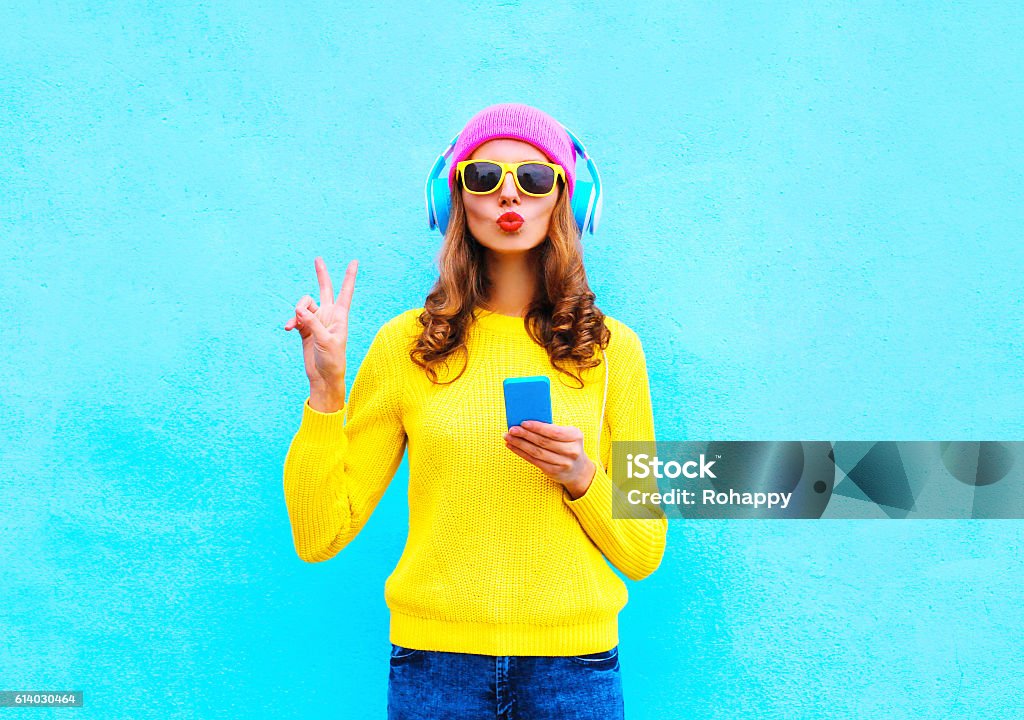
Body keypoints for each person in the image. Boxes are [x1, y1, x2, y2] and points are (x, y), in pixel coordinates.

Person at [282, 103, 667, 720]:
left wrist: (582, 477)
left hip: (576, 674)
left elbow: (645, 549)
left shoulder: (613, 351)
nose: (508, 195)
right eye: (484, 177)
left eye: (534, 178)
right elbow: (319, 534)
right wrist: (326, 390)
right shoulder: (405, 344)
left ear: (562, 196)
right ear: (458, 196)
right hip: (436, 670)